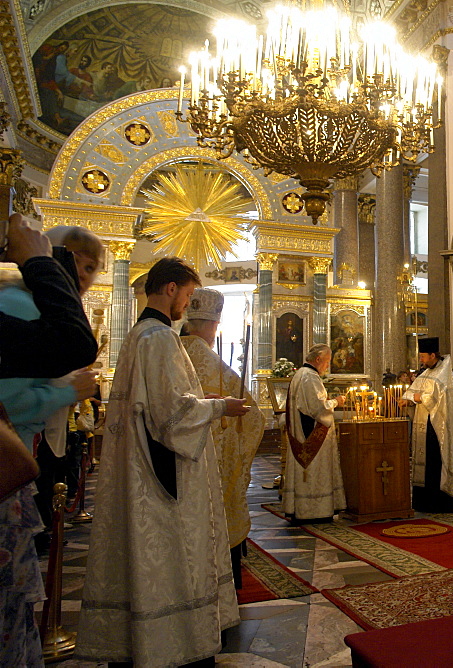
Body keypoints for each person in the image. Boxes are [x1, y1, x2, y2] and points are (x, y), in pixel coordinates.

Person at [76, 257, 249, 666]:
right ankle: (175, 643)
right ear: (170, 288)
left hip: (146, 468)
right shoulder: (158, 338)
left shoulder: (140, 335)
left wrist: (204, 406)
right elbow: (171, 415)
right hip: (164, 479)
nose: (186, 306)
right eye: (187, 295)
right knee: (175, 561)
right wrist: (219, 406)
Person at [0, 221, 100, 668]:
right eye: (80, 266)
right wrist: (66, 393)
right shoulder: (20, 303)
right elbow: (12, 399)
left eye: (94, 270)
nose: (84, 278)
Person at [181, 288, 265, 584]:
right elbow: (252, 413)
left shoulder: (172, 350)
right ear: (214, 324)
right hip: (213, 457)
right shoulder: (208, 359)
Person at [0, 214, 99, 378]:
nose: (81, 273)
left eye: (90, 268)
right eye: (73, 260)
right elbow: (77, 347)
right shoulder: (19, 302)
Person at [283, 344, 347, 521]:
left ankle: (304, 509)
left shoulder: (301, 374)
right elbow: (317, 408)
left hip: (302, 432)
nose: (327, 366)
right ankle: (314, 512)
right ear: (318, 360)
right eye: (326, 362)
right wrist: (336, 401)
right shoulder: (310, 377)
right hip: (311, 435)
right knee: (314, 472)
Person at [400, 337, 453, 512]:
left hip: (437, 427)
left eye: (422, 356)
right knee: (424, 461)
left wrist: (416, 398)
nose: (420, 360)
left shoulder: (443, 372)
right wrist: (408, 400)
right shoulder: (427, 372)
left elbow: (430, 398)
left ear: (432, 355)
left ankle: (439, 501)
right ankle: (423, 501)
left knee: (435, 461)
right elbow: (416, 391)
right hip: (424, 423)